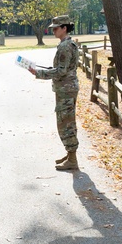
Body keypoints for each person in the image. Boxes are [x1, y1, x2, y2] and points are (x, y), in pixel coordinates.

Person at [31, 15, 80, 171]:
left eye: (56, 28)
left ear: (64, 28)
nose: (53, 31)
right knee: (67, 121)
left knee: (65, 124)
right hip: (67, 88)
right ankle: (70, 154)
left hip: (66, 89)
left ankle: (72, 159)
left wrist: (39, 73)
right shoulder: (68, 44)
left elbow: (61, 71)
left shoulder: (65, 46)